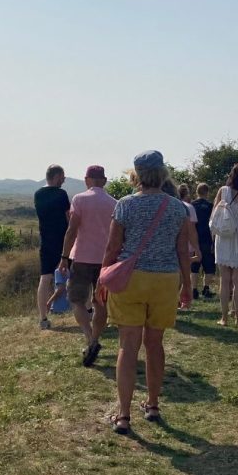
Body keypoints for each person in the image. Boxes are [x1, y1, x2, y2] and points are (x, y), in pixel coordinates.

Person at [101, 151, 191, 434]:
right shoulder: (178, 208)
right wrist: (187, 285)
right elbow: (182, 251)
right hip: (165, 279)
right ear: (163, 173)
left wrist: (102, 279)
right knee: (155, 343)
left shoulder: (125, 205)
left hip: (131, 279)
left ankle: (124, 414)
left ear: (136, 175)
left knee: (128, 346)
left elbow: (112, 248)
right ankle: (152, 404)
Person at [58, 165, 116, 366]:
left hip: (82, 257)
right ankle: (95, 339)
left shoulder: (79, 199)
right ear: (105, 180)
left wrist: (64, 256)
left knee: (76, 299)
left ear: (87, 180)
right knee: (101, 302)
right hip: (105, 260)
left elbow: (72, 230)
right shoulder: (114, 203)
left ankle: (90, 338)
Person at [211, 163, 238, 327]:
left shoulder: (223, 191)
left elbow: (214, 214)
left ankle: (224, 317)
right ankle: (237, 317)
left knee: (224, 279)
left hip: (224, 233)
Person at [34, 164, 70, 330]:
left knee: (45, 278)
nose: (63, 181)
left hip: (46, 241)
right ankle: (86, 310)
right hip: (62, 241)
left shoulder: (38, 194)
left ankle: (43, 318)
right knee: (75, 276)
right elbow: (68, 217)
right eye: (62, 178)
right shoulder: (61, 194)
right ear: (56, 177)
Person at [177, 184, 201, 309]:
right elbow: (192, 230)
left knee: (176, 273)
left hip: (173, 244)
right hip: (186, 245)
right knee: (185, 274)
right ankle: (185, 301)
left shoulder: (171, 205)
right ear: (186, 194)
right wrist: (197, 248)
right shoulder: (189, 208)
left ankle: (174, 299)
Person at [190, 183, 215, 300]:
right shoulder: (211, 206)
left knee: (194, 266)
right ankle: (206, 289)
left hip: (194, 239)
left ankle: (194, 289)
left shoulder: (192, 205)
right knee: (208, 265)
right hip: (207, 238)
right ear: (207, 192)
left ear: (197, 192)